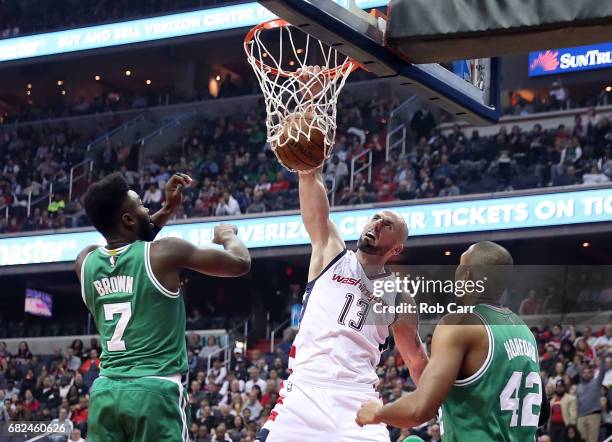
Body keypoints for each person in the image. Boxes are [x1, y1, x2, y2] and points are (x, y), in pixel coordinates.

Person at [258, 68, 428, 441]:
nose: (377, 224)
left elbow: (416, 360)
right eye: (376, 217)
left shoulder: (399, 295)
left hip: (357, 401)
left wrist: (445, 402)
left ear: (396, 247)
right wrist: (311, 99)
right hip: (305, 391)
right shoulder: (331, 252)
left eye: (388, 225)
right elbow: (309, 174)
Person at [76, 172, 251, 442]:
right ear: (128, 219)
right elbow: (240, 263)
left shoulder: (85, 262)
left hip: (105, 393)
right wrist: (228, 234)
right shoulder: (164, 253)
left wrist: (168, 209)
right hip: (155, 391)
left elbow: (128, 240)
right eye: (141, 205)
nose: (148, 210)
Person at [357, 241, 549, 441]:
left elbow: (420, 410)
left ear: (466, 276)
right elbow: (542, 412)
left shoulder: (459, 324)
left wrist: (377, 412)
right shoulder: (524, 331)